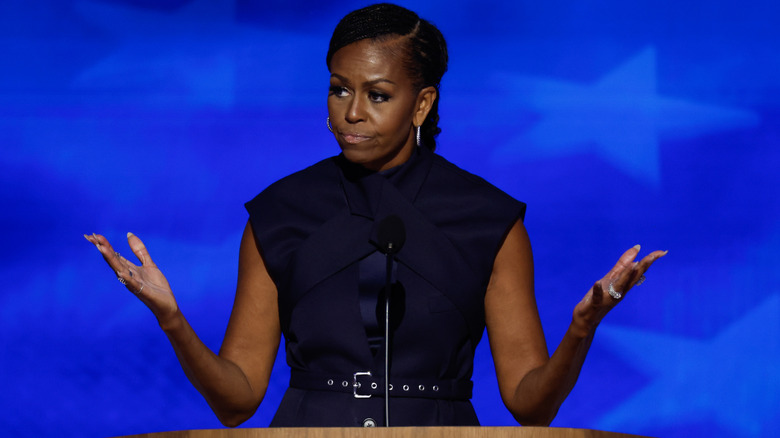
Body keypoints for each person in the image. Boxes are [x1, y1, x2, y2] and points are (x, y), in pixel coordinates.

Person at [85, 3, 665, 428]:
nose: (352, 113)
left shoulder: (488, 219)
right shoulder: (281, 212)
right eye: (339, 90)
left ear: (423, 102)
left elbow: (530, 405)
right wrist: (172, 320)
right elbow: (236, 403)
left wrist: (584, 326)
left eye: (378, 95)